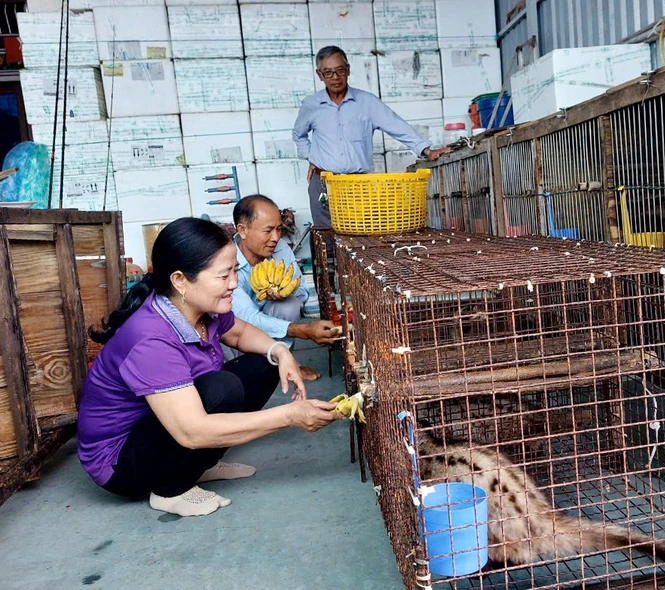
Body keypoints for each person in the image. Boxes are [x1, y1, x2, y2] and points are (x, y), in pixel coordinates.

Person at [77, 217, 343, 518]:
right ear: (180, 281)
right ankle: (170, 489)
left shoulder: (201, 308)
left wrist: (280, 350)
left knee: (263, 364)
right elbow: (192, 432)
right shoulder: (150, 338)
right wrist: (289, 416)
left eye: (233, 272)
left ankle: (197, 464)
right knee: (221, 389)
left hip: (161, 427)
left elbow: (241, 333)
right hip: (120, 461)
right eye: (223, 276)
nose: (233, 283)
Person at [292, 45, 451, 227]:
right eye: (328, 72)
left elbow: (397, 126)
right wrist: (312, 157)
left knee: (359, 235)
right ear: (319, 75)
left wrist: (426, 151)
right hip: (322, 182)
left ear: (348, 70)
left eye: (340, 70)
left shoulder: (367, 102)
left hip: (356, 184)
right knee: (326, 239)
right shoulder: (311, 105)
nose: (335, 77)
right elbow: (299, 135)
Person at [229, 194, 336, 380]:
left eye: (279, 230)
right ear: (242, 230)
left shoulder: (280, 248)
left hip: (272, 316)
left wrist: (285, 293)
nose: (276, 237)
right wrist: (303, 330)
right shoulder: (227, 260)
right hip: (235, 331)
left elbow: (301, 291)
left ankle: (287, 363)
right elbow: (247, 318)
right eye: (268, 230)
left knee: (289, 304)